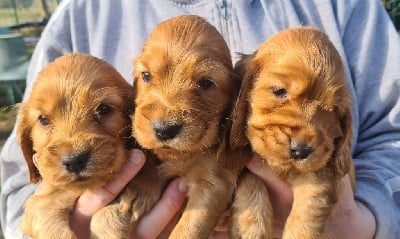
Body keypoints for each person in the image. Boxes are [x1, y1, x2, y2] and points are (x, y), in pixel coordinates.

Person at [1, 0, 399, 238]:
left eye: (207, 84)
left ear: (236, 99)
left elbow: (391, 136)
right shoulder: (82, 14)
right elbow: (20, 180)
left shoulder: (346, 7)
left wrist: (367, 220)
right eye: (146, 76)